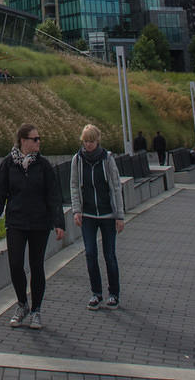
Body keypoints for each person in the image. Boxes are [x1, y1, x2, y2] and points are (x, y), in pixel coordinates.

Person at [0, 123, 65, 330]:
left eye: (39, 139)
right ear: (23, 141)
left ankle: (36, 310)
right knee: (15, 264)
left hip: (39, 222)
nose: (38, 142)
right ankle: (22, 304)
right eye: (34, 139)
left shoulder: (44, 166)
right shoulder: (8, 165)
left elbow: (54, 196)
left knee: (37, 266)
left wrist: (58, 223)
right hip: (16, 222)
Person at [70, 123, 125, 310]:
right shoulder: (77, 160)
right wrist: (76, 210)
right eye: (85, 141)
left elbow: (116, 187)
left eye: (91, 141)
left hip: (107, 214)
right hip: (88, 215)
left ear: (97, 140)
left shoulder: (107, 159)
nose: (88, 145)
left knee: (109, 255)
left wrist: (119, 215)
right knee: (90, 253)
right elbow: (74, 186)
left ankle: (114, 293)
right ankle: (96, 293)